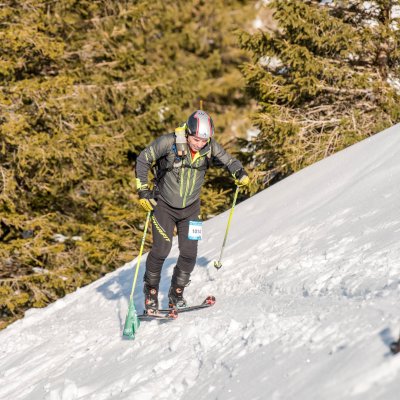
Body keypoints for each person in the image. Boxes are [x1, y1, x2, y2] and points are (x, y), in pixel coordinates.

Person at [135, 110, 249, 313]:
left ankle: (176, 294)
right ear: (187, 133)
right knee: (161, 250)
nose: (200, 144)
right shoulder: (169, 142)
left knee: (189, 254)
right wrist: (143, 191)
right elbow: (143, 159)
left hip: (191, 209)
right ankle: (150, 292)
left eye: (204, 140)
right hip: (164, 206)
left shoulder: (210, 147)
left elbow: (230, 161)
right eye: (196, 139)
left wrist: (239, 172)